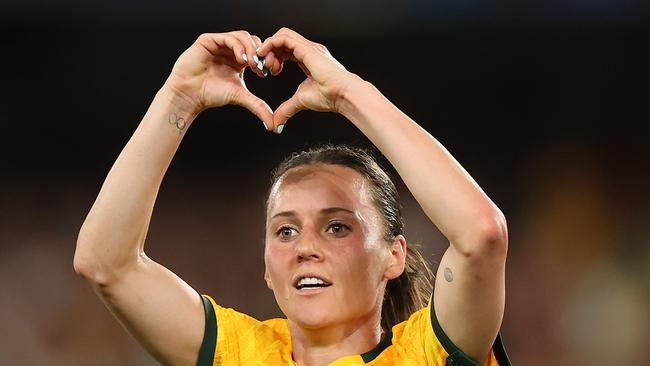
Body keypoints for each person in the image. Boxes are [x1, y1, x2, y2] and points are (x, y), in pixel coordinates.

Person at [74, 28, 511, 366]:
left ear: (393, 256)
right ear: (266, 267)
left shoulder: (427, 354)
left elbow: (482, 235)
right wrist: (180, 96)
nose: (305, 248)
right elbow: (105, 263)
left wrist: (347, 92)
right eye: (285, 231)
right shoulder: (242, 354)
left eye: (336, 226)